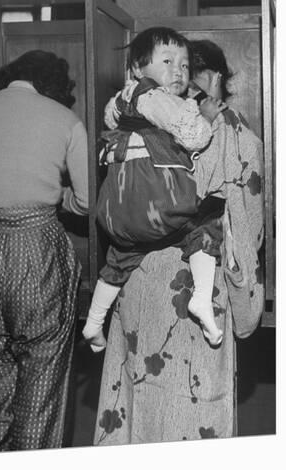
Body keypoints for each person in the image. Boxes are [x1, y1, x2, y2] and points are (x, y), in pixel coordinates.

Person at [93, 38, 264, 444]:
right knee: (198, 400)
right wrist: (246, 295)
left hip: (137, 272)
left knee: (135, 393)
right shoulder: (236, 135)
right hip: (200, 275)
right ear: (219, 78)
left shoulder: (145, 118)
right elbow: (245, 222)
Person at [0, 50, 88, 452]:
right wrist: (51, 195)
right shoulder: (66, 120)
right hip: (40, 252)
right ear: (53, 85)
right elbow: (84, 201)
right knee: (41, 384)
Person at [82, 27, 227, 352]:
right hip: (157, 205)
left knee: (120, 258)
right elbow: (193, 137)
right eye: (167, 61)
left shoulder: (122, 100)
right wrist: (204, 115)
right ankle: (202, 299)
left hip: (120, 213)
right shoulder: (155, 97)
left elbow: (111, 118)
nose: (178, 70)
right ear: (136, 68)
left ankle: (93, 322)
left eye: (185, 64)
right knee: (206, 223)